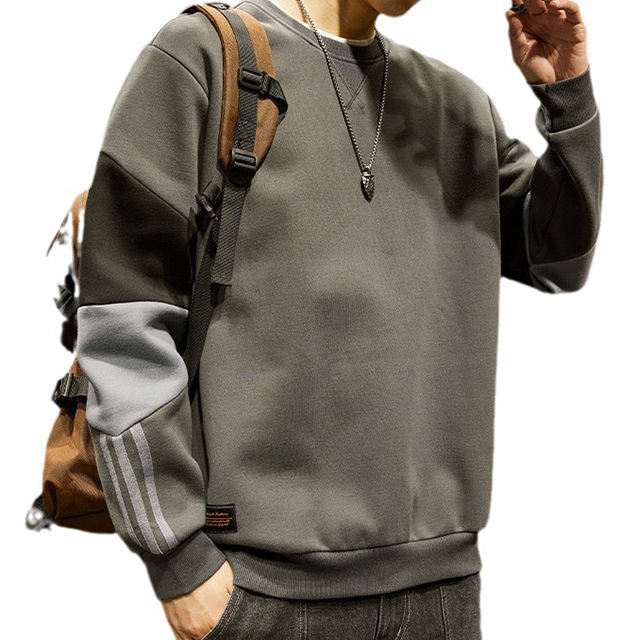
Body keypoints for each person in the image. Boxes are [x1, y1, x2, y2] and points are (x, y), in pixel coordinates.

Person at [75, 0, 602, 637]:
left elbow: (558, 256)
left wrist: (567, 96)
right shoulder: (203, 58)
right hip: (264, 590)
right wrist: (179, 560)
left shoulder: (459, 106)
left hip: (444, 592)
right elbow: (123, 321)